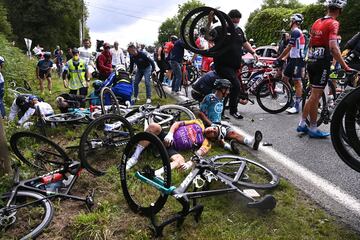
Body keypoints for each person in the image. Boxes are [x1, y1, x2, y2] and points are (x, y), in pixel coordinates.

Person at [297, 0, 351, 138]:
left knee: (313, 95)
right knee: (315, 96)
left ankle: (303, 123)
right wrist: (344, 65)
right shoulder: (333, 23)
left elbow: (310, 44)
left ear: (328, 8)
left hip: (311, 61)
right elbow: (333, 47)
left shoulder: (317, 21)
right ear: (339, 11)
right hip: (322, 63)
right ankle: (312, 128)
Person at [208, 9, 258, 120]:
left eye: (238, 21)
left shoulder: (239, 31)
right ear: (228, 19)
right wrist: (209, 21)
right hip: (222, 65)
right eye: (234, 21)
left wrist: (253, 52)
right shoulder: (220, 29)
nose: (236, 23)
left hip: (234, 66)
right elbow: (208, 36)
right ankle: (233, 110)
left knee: (225, 88)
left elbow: (245, 43)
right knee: (235, 85)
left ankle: (219, 112)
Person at [125, 119, 217, 173]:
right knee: (154, 126)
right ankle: (134, 158)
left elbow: (198, 154)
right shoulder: (199, 122)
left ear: (213, 138)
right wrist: (170, 133)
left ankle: (157, 174)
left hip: (172, 148)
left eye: (214, 133)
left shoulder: (207, 143)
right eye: (213, 128)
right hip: (167, 137)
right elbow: (177, 124)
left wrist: (189, 163)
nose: (211, 131)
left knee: (180, 160)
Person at [198, 79, 262, 153]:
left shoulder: (222, 99)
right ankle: (230, 148)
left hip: (219, 124)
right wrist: (211, 124)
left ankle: (251, 142)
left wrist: (242, 101)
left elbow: (234, 99)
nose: (228, 92)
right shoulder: (209, 98)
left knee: (233, 133)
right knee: (219, 137)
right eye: (227, 90)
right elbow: (200, 113)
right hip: (209, 126)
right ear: (222, 89)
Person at [276, 13, 306, 114]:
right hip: (293, 59)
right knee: (285, 79)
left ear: (293, 21)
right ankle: (290, 101)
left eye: (290, 20)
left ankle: (297, 106)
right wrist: (284, 58)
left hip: (298, 60)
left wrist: (279, 58)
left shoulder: (296, 32)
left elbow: (288, 47)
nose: (289, 22)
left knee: (297, 82)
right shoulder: (294, 32)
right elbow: (291, 49)